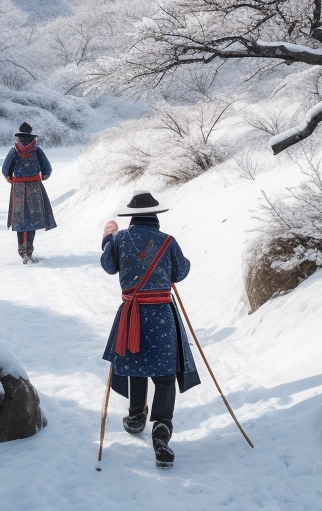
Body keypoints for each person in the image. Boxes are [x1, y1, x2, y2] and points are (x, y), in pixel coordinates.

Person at [101, 189, 200, 468]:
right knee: (165, 376)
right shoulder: (168, 241)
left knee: (136, 364)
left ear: (131, 217)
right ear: (155, 215)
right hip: (161, 315)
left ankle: (135, 418)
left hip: (131, 314)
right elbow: (180, 272)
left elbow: (108, 266)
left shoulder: (119, 240)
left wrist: (108, 238)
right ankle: (161, 431)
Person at [2, 122, 56, 263]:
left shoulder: (14, 150)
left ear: (19, 136)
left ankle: (22, 248)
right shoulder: (36, 150)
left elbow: (5, 168)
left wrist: (9, 177)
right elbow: (47, 168)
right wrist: (43, 176)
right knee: (32, 217)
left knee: (20, 217)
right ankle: (29, 248)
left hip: (18, 187)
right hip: (34, 187)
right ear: (31, 136)